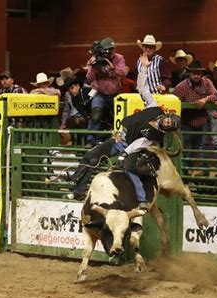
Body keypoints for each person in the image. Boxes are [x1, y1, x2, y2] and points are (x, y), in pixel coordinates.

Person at [62, 53, 180, 210]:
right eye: (168, 120)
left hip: (130, 147)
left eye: (169, 124)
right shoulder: (154, 107)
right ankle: (78, 190)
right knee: (91, 157)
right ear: (167, 115)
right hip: (120, 138)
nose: (166, 122)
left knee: (130, 168)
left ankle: (142, 200)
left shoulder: (154, 135)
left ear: (169, 128)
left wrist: (124, 154)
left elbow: (138, 144)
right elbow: (143, 88)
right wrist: (144, 68)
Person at [173, 60, 217, 174]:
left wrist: (205, 99)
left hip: (202, 122)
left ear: (202, 74)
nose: (196, 76)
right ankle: (187, 175)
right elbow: (173, 101)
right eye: (194, 73)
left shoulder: (207, 82)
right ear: (189, 73)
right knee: (187, 150)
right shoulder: (182, 87)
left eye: (198, 73)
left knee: (201, 148)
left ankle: (203, 173)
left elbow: (215, 94)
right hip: (187, 123)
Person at [85, 37, 127, 147]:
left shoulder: (119, 58)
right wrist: (94, 67)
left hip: (115, 94)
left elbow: (123, 72)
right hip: (100, 93)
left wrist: (112, 67)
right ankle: (90, 140)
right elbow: (89, 79)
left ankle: (120, 140)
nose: (109, 52)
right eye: (107, 50)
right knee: (95, 114)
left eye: (111, 50)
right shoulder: (93, 59)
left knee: (120, 117)